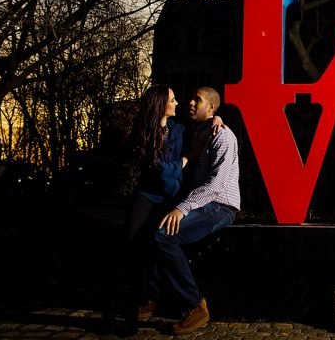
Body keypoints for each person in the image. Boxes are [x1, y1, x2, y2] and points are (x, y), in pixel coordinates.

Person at [101, 84, 222, 336]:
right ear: (160, 104)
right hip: (147, 197)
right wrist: (188, 159)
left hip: (170, 198)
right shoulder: (143, 132)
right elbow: (162, 170)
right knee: (130, 251)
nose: (177, 103)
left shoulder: (180, 128)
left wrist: (217, 117)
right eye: (173, 99)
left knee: (155, 247)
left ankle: (143, 308)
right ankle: (113, 312)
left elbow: (205, 125)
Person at [147, 86, 240, 335]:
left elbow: (216, 185)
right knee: (157, 230)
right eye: (189, 98)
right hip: (203, 204)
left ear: (210, 107)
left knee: (164, 234)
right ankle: (152, 298)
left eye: (197, 100)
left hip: (221, 205)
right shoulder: (200, 132)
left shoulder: (222, 135)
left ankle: (196, 305)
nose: (189, 102)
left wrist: (182, 208)